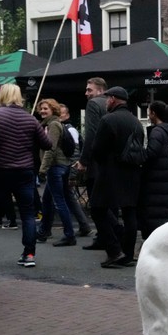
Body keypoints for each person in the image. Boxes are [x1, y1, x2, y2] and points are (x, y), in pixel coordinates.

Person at [0, 84, 52, 267]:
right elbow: (47, 144)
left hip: (0, 170)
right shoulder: (30, 119)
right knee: (27, 213)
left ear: (2, 96)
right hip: (24, 171)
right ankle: (29, 254)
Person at [89, 86, 145, 268]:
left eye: (107, 99)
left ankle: (114, 251)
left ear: (113, 99)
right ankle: (127, 255)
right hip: (132, 172)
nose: (106, 102)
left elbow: (97, 149)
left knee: (97, 209)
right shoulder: (136, 121)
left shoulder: (108, 120)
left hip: (110, 172)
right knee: (129, 212)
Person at [77, 77, 116, 251]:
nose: (86, 93)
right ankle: (107, 237)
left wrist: (83, 160)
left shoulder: (93, 104)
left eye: (89, 90)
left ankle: (110, 239)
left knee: (98, 205)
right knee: (110, 203)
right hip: (112, 162)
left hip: (96, 163)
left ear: (100, 90)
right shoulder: (111, 104)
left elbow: (91, 134)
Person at [35, 99, 76, 247]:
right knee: (47, 200)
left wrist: (43, 169)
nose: (42, 111)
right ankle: (44, 231)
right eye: (41, 108)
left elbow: (50, 149)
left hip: (55, 167)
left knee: (59, 202)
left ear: (53, 109)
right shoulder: (51, 124)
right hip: (61, 166)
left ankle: (69, 235)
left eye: (46, 108)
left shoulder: (53, 125)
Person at [137, 101, 168, 239]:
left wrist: (139, 153)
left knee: (153, 212)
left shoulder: (157, 131)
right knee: (164, 210)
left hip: (154, 179)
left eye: (149, 112)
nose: (148, 115)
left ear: (154, 113)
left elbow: (151, 153)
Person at [58, 104, 92, 237]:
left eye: (61, 113)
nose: (59, 116)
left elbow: (75, 153)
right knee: (66, 197)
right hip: (64, 168)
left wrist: (72, 175)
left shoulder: (70, 130)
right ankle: (83, 225)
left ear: (67, 115)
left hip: (67, 169)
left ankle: (83, 225)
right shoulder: (61, 128)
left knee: (66, 197)